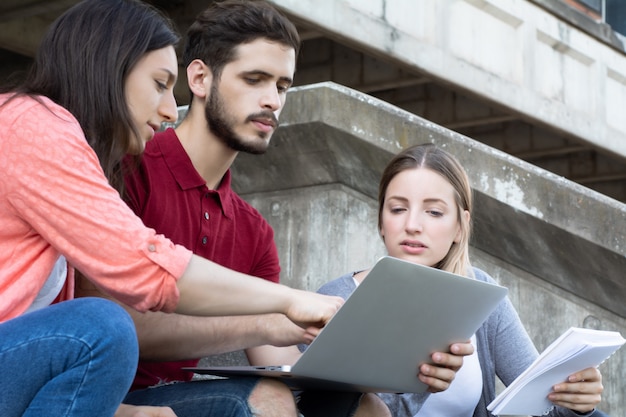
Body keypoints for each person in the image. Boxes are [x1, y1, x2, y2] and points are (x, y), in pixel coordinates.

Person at [75, 2, 472, 417]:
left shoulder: (254, 231)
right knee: (266, 398)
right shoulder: (125, 171)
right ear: (199, 78)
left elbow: (278, 354)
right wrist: (268, 319)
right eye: (255, 79)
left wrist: (409, 368)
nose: (272, 101)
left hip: (185, 394)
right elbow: (117, 327)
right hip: (102, 395)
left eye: (282, 86)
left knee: (366, 407)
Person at [0, 0, 343, 416]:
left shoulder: (254, 229)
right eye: (160, 84)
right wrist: (286, 303)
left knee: (315, 401)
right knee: (101, 327)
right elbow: (141, 270)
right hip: (80, 364)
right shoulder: (35, 128)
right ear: (110, 68)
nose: (167, 109)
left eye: (283, 87)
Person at [314, 143, 609, 417]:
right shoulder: (335, 300)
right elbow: (318, 408)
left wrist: (576, 401)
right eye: (398, 209)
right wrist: (418, 378)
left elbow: (542, 406)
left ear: (460, 227)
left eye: (434, 212)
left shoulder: (480, 294)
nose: (412, 225)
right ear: (381, 221)